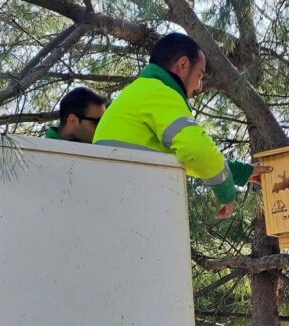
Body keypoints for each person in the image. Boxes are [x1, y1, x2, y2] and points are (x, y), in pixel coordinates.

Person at [93, 33, 271, 218]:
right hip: (131, 207)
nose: (199, 86)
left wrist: (240, 172)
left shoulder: (139, 91)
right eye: (200, 75)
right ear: (183, 65)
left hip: (117, 205)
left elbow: (181, 157)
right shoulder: (159, 92)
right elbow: (197, 150)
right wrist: (226, 192)